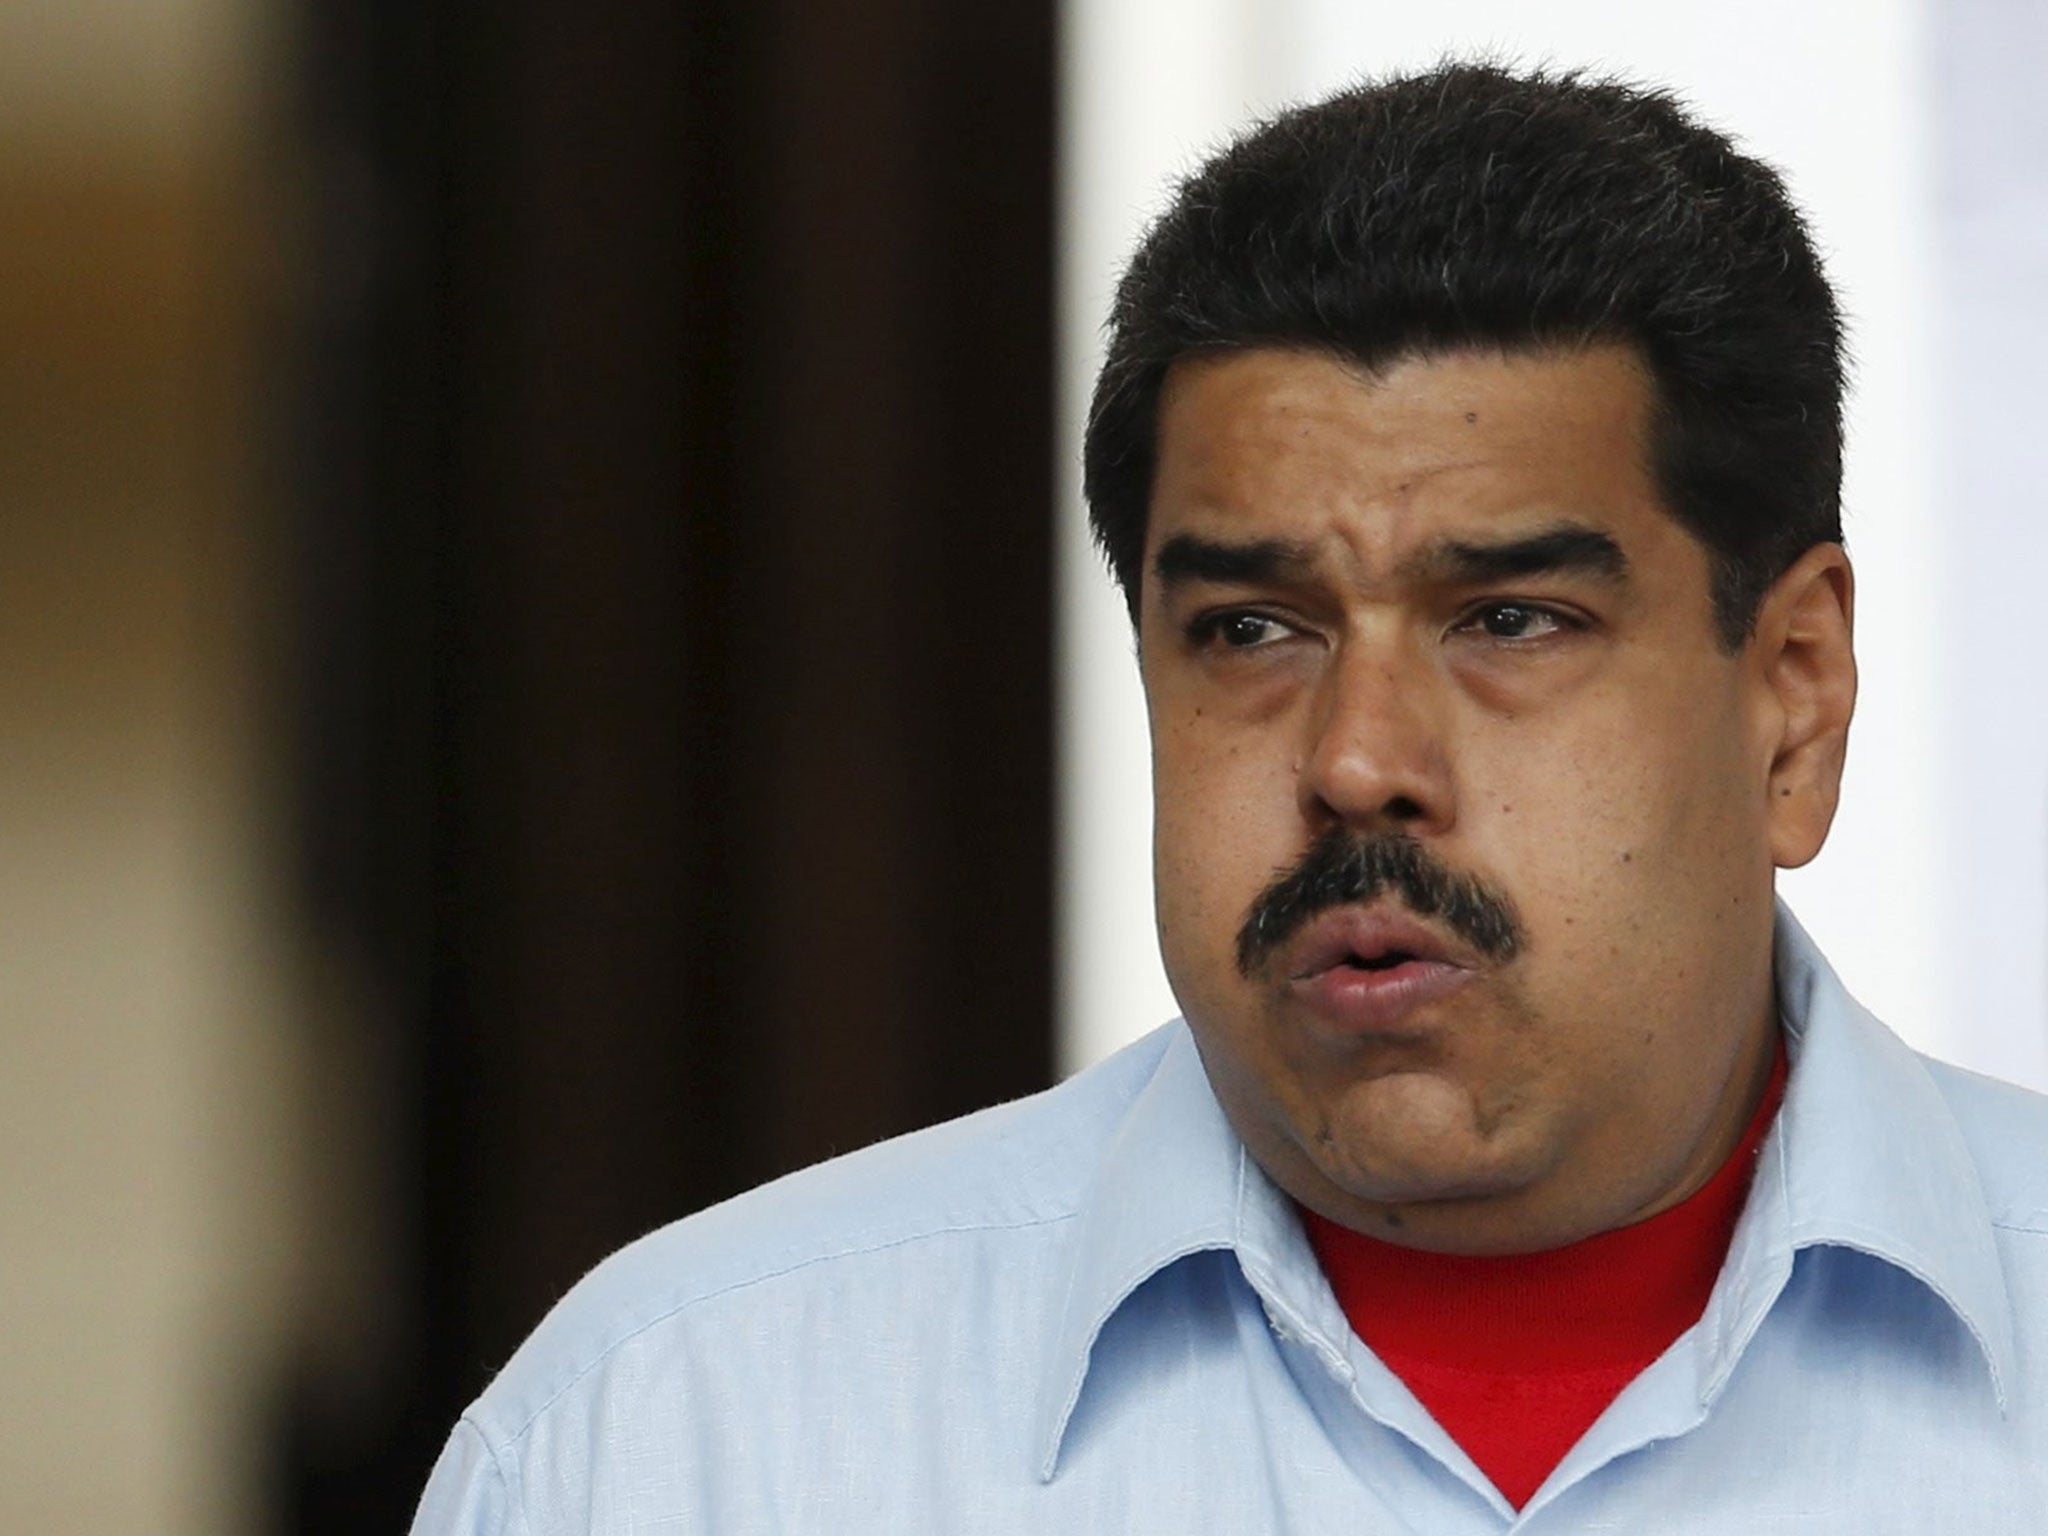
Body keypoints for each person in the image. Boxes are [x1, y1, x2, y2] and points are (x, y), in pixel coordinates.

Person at [412, 62, 2048, 1531]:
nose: (1355, 761)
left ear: (1792, 701)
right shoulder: (680, 1447)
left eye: (1510, 621)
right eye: (1252, 632)